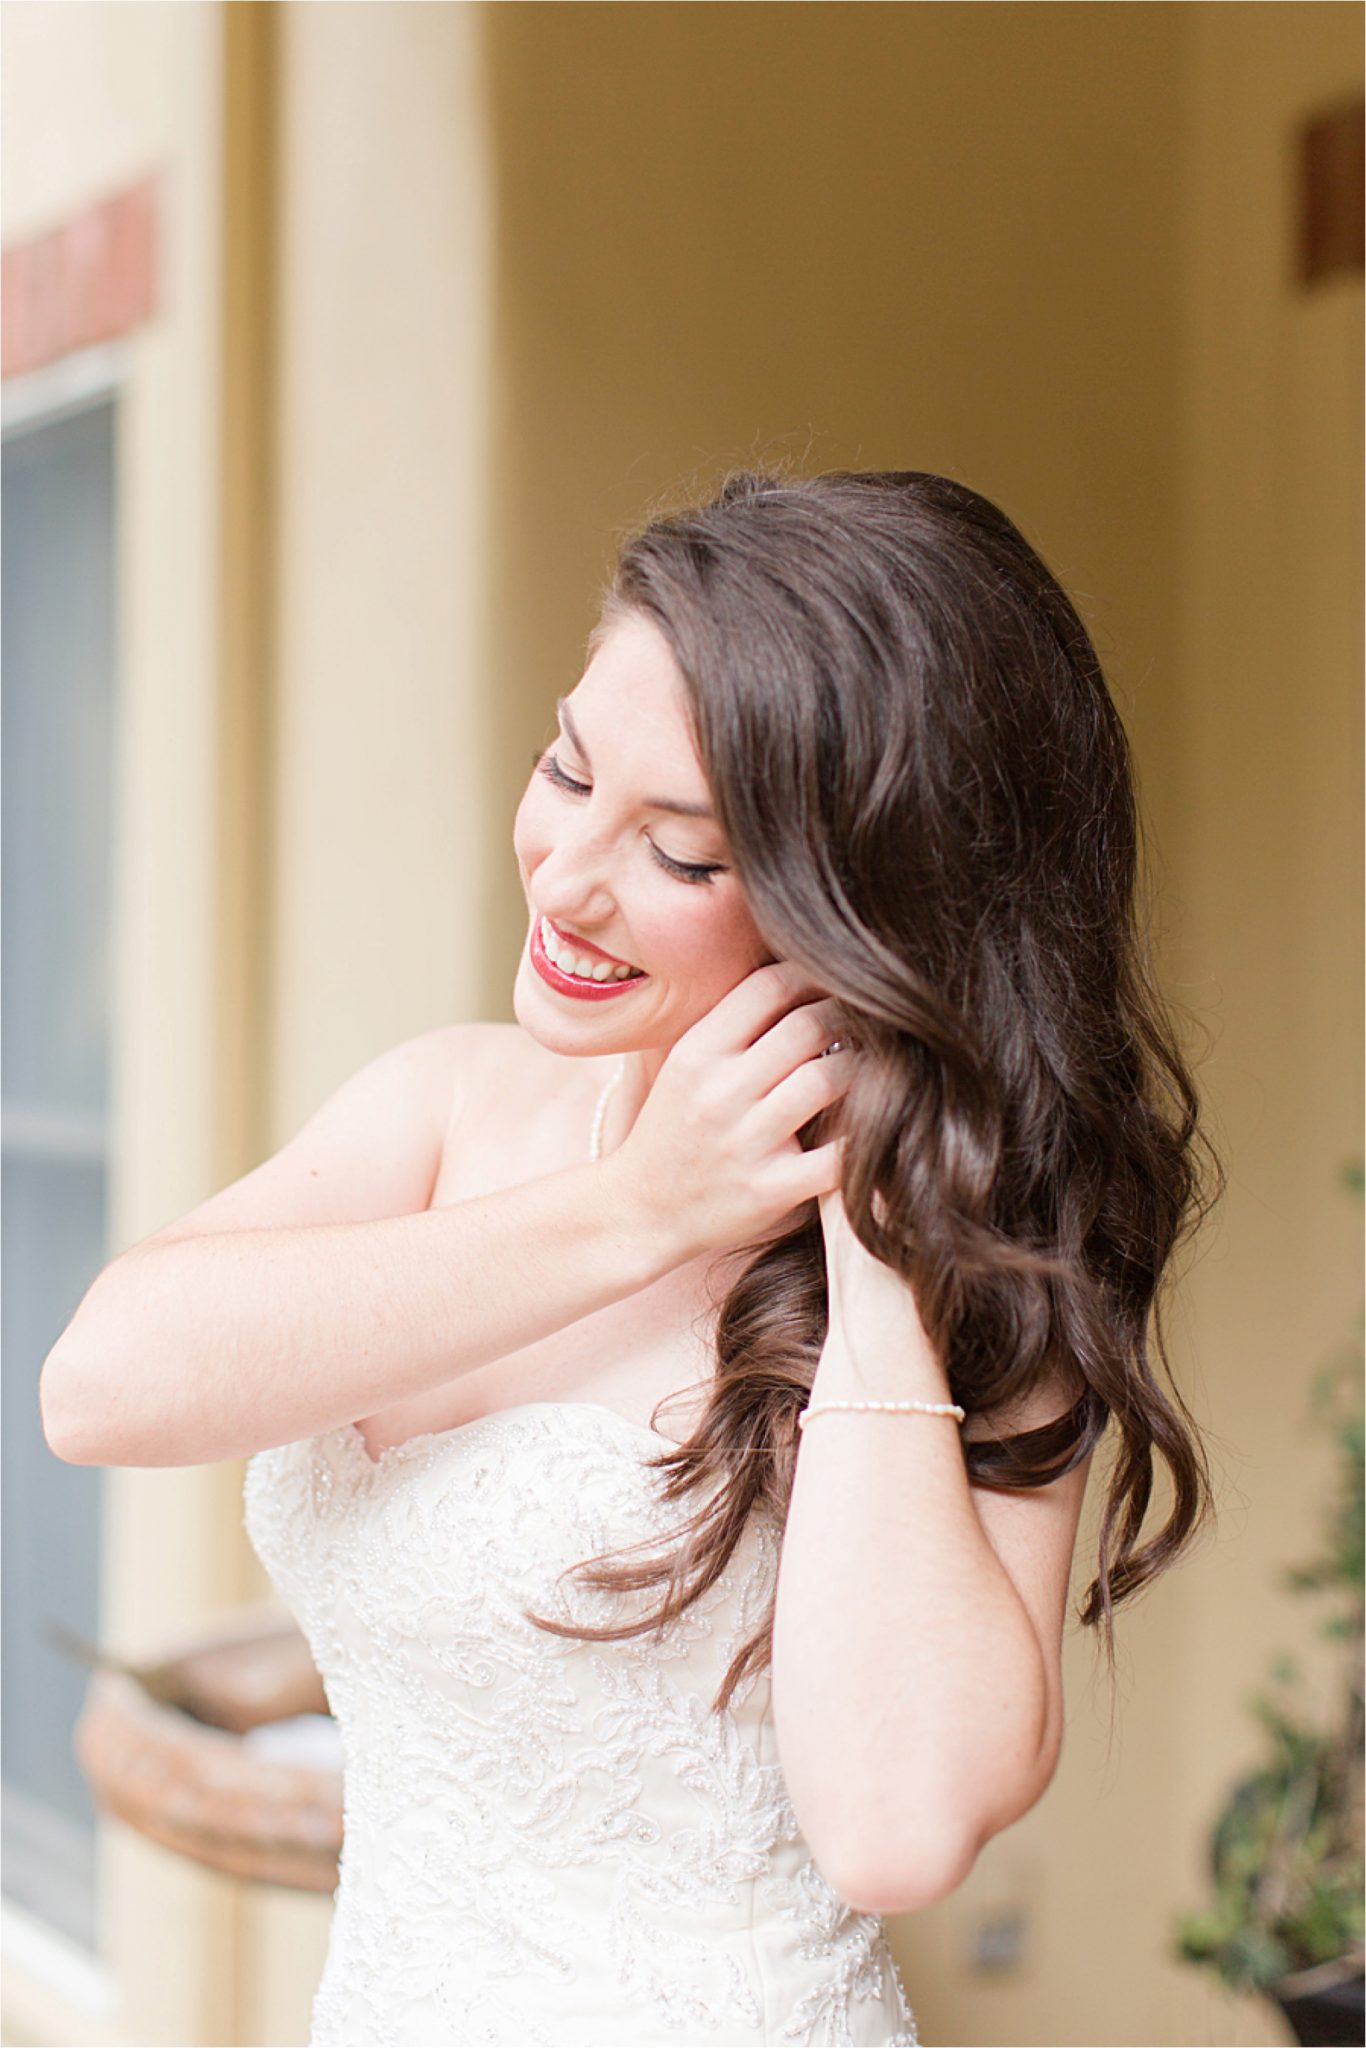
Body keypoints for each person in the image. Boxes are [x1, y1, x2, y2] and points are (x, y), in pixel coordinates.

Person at [42, 467, 1222, 2047]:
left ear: (865, 910)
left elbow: (897, 1829)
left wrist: (874, 1261)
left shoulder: (979, 1275)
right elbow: (103, 1388)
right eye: (564, 768)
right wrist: (640, 1208)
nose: (567, 874)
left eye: (681, 854)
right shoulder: (448, 1103)